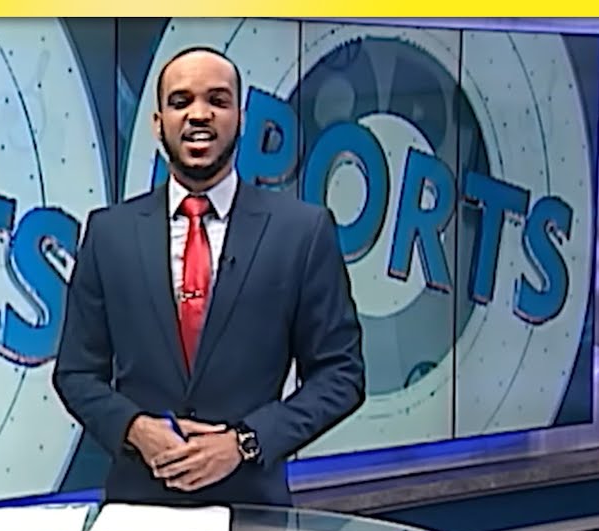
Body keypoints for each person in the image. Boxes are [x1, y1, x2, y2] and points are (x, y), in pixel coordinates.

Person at [52, 46, 365, 507]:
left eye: (217, 100)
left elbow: (341, 375)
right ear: (158, 122)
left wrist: (244, 442)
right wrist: (136, 430)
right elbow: (77, 372)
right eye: (181, 101)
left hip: (252, 507)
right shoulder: (108, 233)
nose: (199, 114)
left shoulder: (302, 231)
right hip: (139, 506)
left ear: (241, 118)